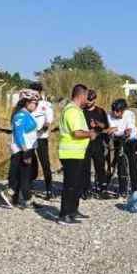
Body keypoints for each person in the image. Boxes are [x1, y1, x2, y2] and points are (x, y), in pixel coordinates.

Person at [58, 84, 98, 225]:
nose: (88, 99)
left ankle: (73, 210)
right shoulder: (72, 111)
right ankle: (64, 215)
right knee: (70, 185)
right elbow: (77, 133)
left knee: (77, 184)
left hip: (78, 153)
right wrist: (90, 134)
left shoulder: (77, 110)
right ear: (80, 95)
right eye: (86, 96)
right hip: (70, 153)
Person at [9, 89, 40, 208]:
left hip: (28, 149)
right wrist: (25, 150)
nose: (35, 105)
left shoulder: (27, 114)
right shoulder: (20, 115)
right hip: (22, 150)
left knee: (26, 175)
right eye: (33, 102)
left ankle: (19, 197)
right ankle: (24, 199)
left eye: (36, 103)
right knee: (25, 176)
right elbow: (18, 134)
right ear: (25, 102)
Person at [28, 82, 55, 199]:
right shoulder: (27, 104)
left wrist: (41, 130)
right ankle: (28, 186)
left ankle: (49, 189)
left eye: (36, 93)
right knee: (29, 162)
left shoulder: (45, 105)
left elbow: (49, 121)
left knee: (45, 164)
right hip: (28, 138)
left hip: (41, 138)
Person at [81, 89, 111, 197]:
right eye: (87, 99)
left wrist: (98, 124)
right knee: (85, 167)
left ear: (94, 99)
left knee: (100, 166)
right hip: (85, 142)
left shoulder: (100, 111)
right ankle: (86, 189)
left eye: (90, 100)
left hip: (98, 142)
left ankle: (102, 188)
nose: (88, 102)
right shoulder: (81, 111)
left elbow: (106, 127)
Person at [108, 99, 137, 196]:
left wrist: (127, 131)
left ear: (123, 110)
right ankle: (122, 189)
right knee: (121, 165)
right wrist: (113, 131)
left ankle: (135, 189)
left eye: (117, 111)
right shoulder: (109, 115)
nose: (115, 113)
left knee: (133, 165)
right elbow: (112, 129)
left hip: (131, 140)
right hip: (118, 139)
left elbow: (129, 127)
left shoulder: (129, 114)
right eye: (113, 110)